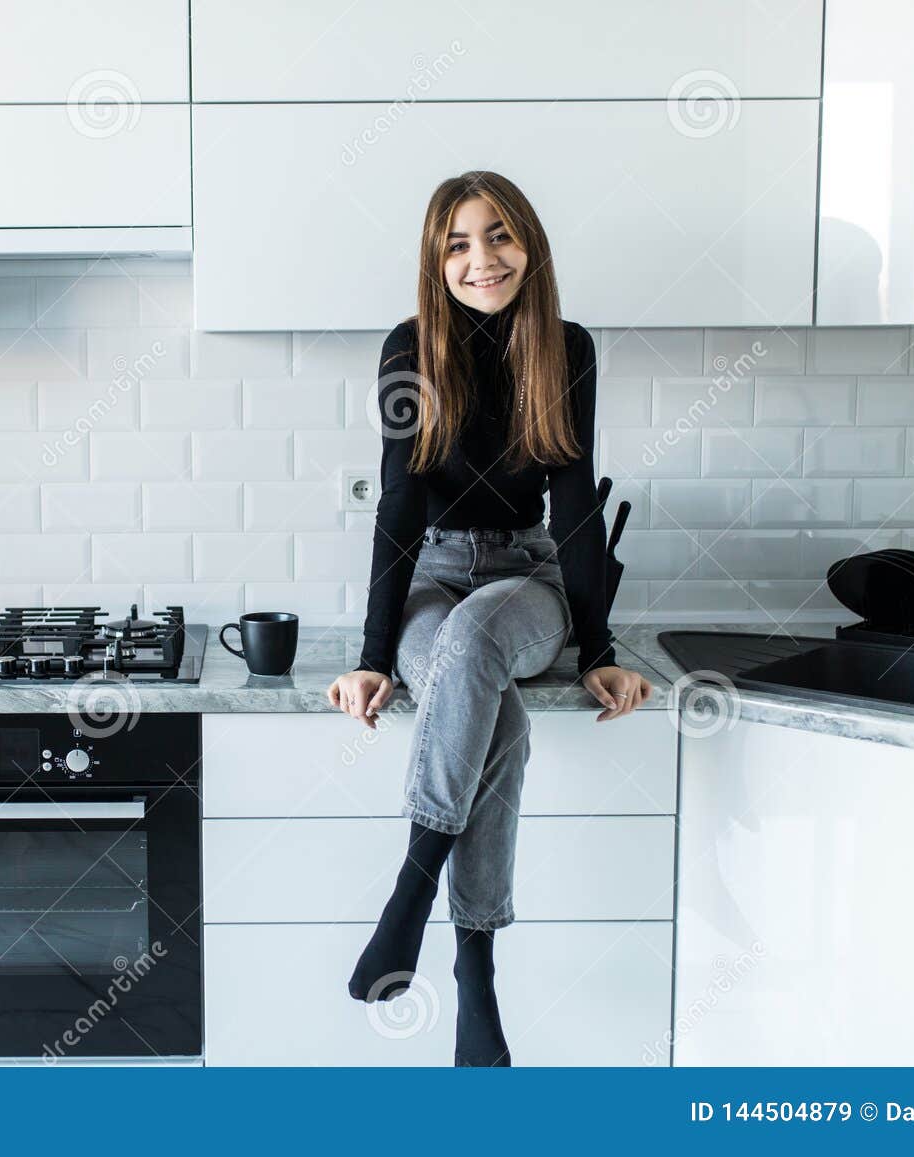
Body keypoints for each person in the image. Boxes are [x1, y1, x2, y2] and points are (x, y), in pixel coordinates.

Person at [325, 170, 653, 1067]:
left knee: (478, 645)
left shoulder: (566, 348)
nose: (483, 259)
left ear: (529, 245)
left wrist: (598, 648)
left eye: (500, 236)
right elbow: (398, 505)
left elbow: (576, 501)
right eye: (460, 243)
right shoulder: (409, 348)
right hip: (432, 576)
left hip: (525, 580)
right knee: (490, 700)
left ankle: (411, 891)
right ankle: (475, 963)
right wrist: (372, 654)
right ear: (437, 260)